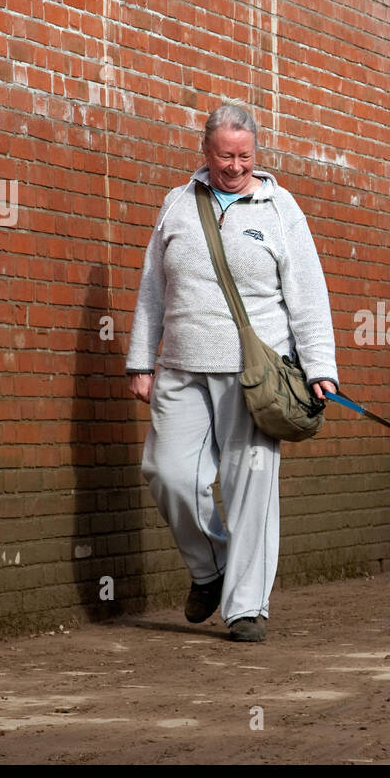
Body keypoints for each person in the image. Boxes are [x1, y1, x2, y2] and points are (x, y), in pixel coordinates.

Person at [125, 103, 339, 642]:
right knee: (168, 474)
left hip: (256, 374)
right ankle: (211, 569)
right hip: (181, 368)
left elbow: (308, 295)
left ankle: (246, 607)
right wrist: (140, 360)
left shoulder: (279, 207)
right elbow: (153, 288)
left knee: (252, 488)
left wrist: (320, 368)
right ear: (206, 150)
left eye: (245, 155)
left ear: (256, 154)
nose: (236, 166)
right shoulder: (177, 204)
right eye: (226, 155)